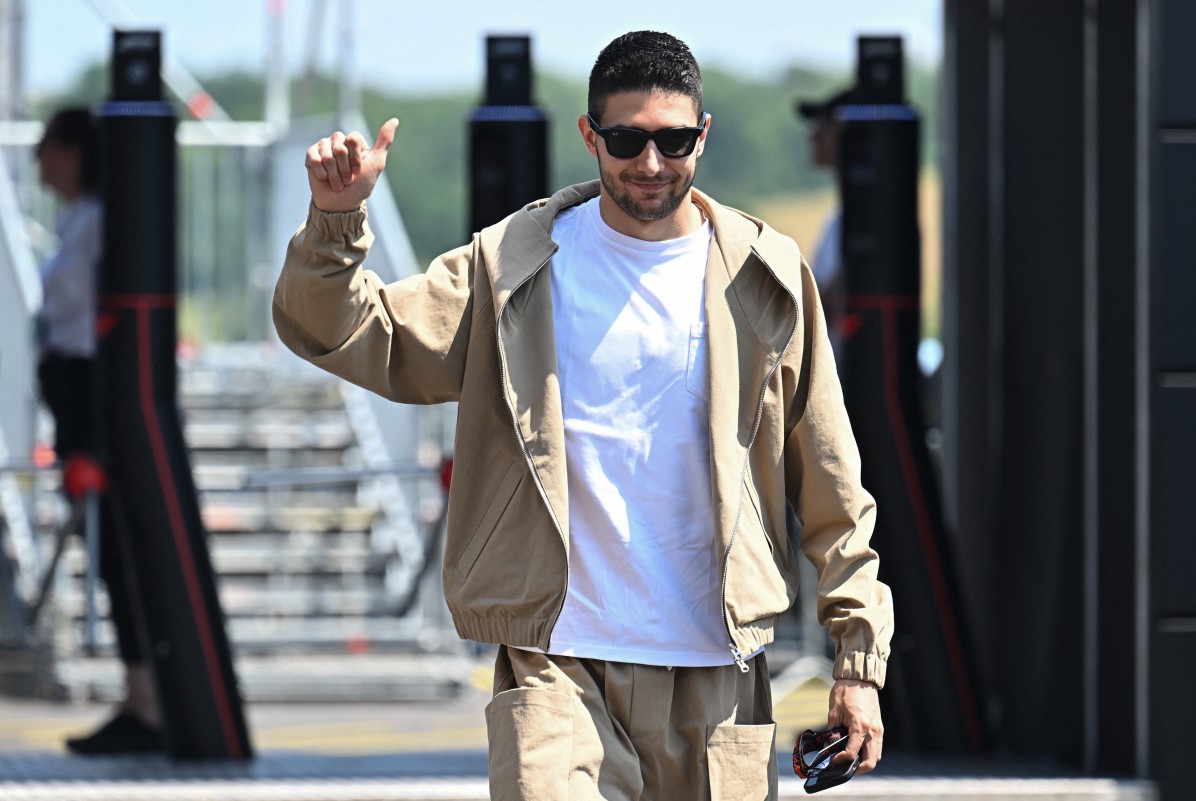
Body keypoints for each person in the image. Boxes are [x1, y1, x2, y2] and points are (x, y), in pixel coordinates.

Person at [274, 31, 891, 800]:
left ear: (703, 134)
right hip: (557, 664)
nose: (651, 163)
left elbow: (833, 484)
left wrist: (858, 661)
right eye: (627, 139)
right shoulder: (512, 266)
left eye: (672, 139)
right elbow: (353, 333)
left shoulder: (765, 276)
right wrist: (335, 223)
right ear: (589, 134)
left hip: (716, 675)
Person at [34, 107, 164, 755]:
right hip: (75, 397)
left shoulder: (100, 226)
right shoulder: (75, 223)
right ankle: (140, 691)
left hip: (95, 395)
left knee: (120, 549)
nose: (39, 164)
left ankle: (149, 697)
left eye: (49, 149)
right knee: (108, 551)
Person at [796, 87, 858, 364]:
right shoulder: (841, 219)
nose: (814, 135)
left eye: (825, 125)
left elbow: (824, 306)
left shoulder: (864, 222)